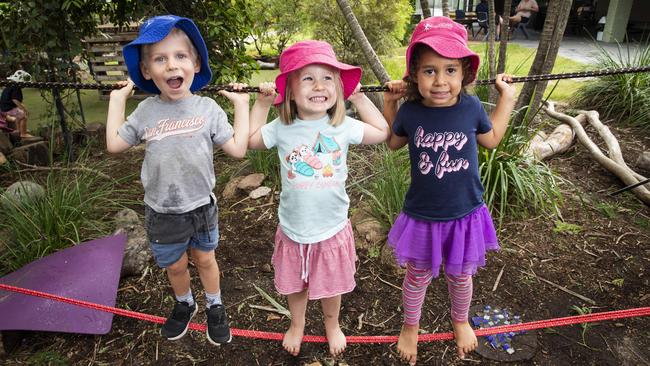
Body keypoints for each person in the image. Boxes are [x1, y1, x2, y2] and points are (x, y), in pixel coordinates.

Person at [106, 15, 250, 345]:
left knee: (205, 259)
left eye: (180, 56)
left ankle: (215, 305)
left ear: (195, 63)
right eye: (160, 58)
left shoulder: (208, 108)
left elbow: (238, 149)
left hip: (200, 207)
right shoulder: (145, 112)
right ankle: (185, 302)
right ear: (146, 71)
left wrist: (242, 106)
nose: (172, 65)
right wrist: (117, 102)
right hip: (161, 212)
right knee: (176, 267)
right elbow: (114, 145)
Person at [382, 16, 516, 365]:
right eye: (429, 71)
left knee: (461, 275)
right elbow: (394, 143)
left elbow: (492, 139)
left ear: (464, 74)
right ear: (414, 74)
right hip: (423, 216)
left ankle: (460, 320)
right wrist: (390, 103)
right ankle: (411, 326)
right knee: (417, 276)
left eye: (450, 70)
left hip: (464, 214)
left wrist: (508, 98)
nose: (440, 81)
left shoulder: (470, 108)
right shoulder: (411, 111)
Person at [248, 40, 389, 357]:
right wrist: (260, 105)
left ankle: (331, 324)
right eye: (308, 78)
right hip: (294, 228)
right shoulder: (282, 127)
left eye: (328, 78)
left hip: (331, 228)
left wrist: (361, 98)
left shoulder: (342, 125)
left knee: (331, 286)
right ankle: (296, 323)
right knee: (296, 285)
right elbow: (251, 141)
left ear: (339, 89)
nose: (319, 85)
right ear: (291, 91)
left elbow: (382, 132)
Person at [0, 69, 34, 138]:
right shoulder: (16, 87)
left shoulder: (10, 85)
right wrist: (24, 109)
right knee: (23, 116)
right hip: (8, 108)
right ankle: (23, 133)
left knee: (19, 115)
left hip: (4, 108)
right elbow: (15, 100)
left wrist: (21, 107)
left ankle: (19, 130)